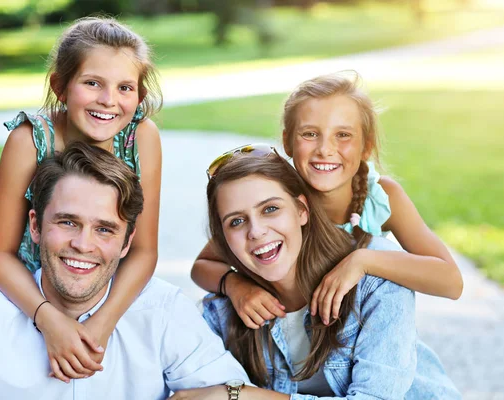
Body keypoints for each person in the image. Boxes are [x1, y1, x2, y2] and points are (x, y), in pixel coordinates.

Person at [0, 143, 250, 399]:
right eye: (68, 222)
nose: (83, 244)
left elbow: (227, 390)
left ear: (127, 242)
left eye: (104, 229)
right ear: (35, 226)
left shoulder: (162, 313)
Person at [171, 149, 460, 399]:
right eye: (236, 221)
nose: (256, 231)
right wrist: (232, 284)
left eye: (270, 209)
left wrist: (244, 396)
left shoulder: (376, 279)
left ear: (301, 210)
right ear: (223, 238)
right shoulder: (225, 310)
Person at [191, 72, 463, 329]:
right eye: (310, 134)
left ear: (366, 146)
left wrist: (363, 261)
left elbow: (450, 282)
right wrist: (236, 286)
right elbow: (202, 266)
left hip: (362, 333)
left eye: (343, 135)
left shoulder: (380, 197)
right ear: (287, 142)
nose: (325, 149)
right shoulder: (278, 203)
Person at [0, 17, 162, 382]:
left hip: (104, 296)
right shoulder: (28, 141)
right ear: (61, 86)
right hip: (32, 295)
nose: (108, 100)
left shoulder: (141, 137)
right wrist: (49, 320)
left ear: (139, 97)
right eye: (92, 83)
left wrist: (101, 324)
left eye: (125, 87)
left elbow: (144, 250)